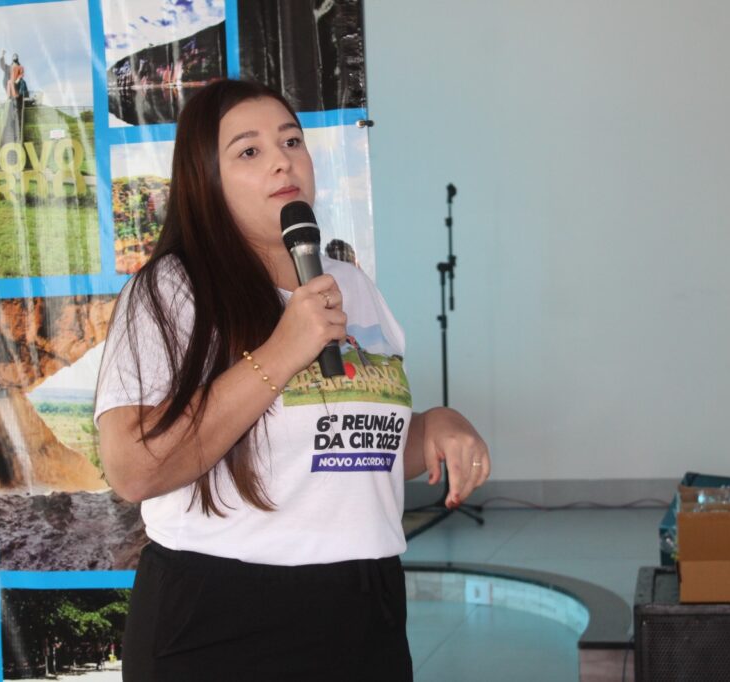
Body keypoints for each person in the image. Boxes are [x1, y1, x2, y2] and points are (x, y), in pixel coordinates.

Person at [95, 79, 490, 681]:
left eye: (291, 142)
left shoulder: (350, 285)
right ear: (206, 180)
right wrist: (281, 351)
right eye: (249, 151)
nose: (282, 161)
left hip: (365, 611)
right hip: (219, 621)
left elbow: (349, 449)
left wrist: (436, 426)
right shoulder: (168, 292)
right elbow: (134, 470)